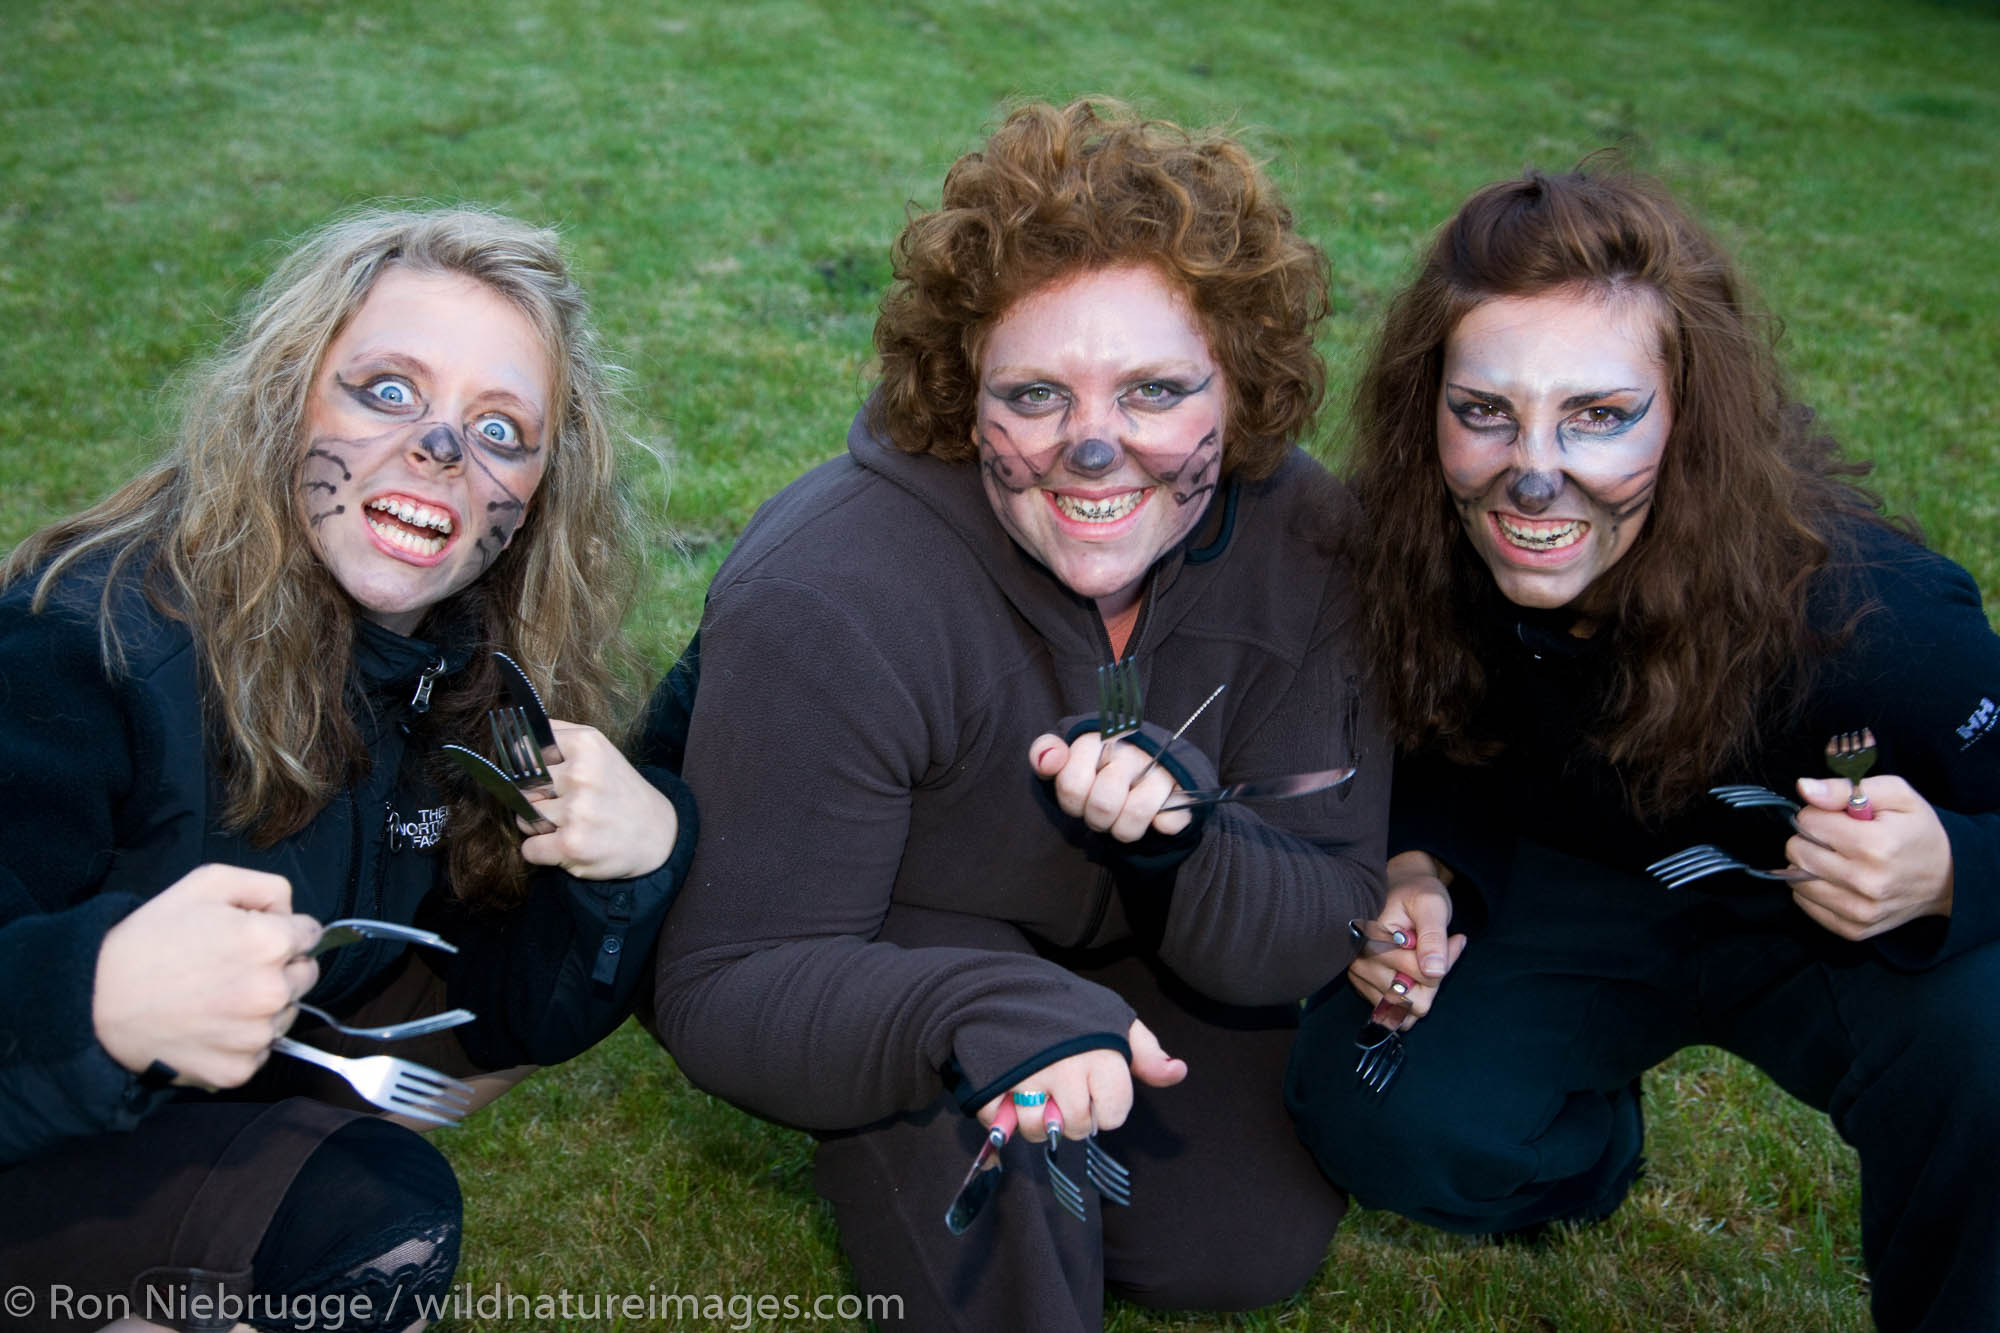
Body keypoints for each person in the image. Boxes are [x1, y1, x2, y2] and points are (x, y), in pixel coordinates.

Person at [643, 100, 1386, 1331]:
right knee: (1016, 1274)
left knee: (1236, 1252)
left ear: (1238, 387)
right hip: (892, 944)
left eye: (1152, 390)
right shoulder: (827, 590)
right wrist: (967, 1012)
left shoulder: (1313, 547)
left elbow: (1326, 901)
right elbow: (722, 984)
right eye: (1036, 395)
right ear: (963, 389)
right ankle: (903, 1104)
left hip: (1140, 954)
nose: (1093, 451)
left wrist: (1184, 845)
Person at [1283, 167, 2000, 1332]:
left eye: (1598, 415)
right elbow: (1429, 740)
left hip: (1816, 925)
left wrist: (1952, 871)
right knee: (1375, 1109)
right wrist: (1420, 864)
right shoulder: (1422, 548)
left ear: (1691, 417)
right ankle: (1584, 1131)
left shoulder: (1875, 627)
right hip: (1584, 888)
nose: (1530, 471)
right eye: (1483, 411)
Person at [0, 208, 696, 1333]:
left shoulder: (465, 660)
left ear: (533, 500)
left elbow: (493, 1016)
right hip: (37, 1123)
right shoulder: (86, 647)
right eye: (386, 392)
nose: (439, 451)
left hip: (220, 1109)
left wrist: (632, 864)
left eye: (502, 430)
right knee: (369, 1227)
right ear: (286, 396)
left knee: (373, 1214)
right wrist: (95, 998)